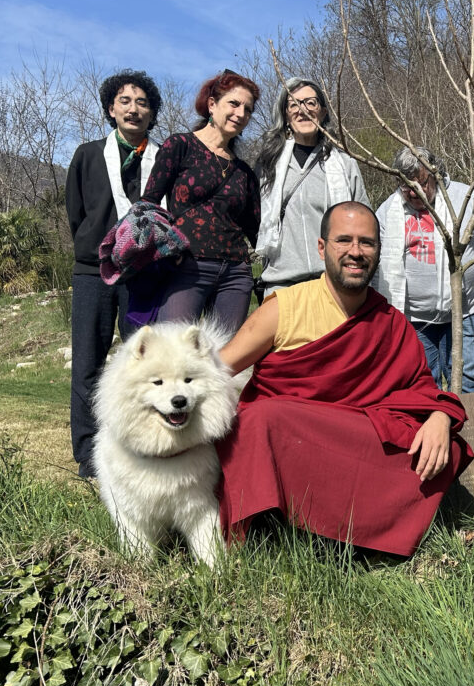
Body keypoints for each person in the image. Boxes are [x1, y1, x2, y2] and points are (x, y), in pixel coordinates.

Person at [216, 202, 473, 557]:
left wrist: (440, 417)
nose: (356, 252)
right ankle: (279, 525)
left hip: (350, 442)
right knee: (262, 418)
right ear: (322, 248)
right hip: (291, 442)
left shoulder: (391, 323)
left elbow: (421, 392)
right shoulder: (284, 308)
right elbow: (215, 371)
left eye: (367, 243)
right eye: (344, 240)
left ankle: (358, 533)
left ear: (379, 251)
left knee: (443, 445)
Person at [65, 69, 163, 479]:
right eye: (125, 101)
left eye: (142, 102)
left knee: (140, 363)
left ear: (152, 113)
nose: (134, 108)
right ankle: (89, 456)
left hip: (144, 274)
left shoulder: (163, 159)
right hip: (92, 272)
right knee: (88, 360)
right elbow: (76, 213)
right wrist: (95, 244)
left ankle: (137, 444)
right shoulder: (88, 155)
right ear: (111, 108)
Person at [139, 70, 261, 335]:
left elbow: (255, 229)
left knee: (227, 359)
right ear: (212, 104)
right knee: (172, 350)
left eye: (248, 109)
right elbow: (148, 206)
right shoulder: (180, 146)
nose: (241, 114)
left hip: (235, 273)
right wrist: (166, 250)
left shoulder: (245, 173)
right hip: (186, 266)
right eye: (234, 103)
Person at [374, 146, 474, 393]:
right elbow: (377, 265)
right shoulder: (387, 211)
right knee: (424, 387)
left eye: (421, 183)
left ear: (436, 173)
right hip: (415, 320)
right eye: (406, 186)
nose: (414, 192)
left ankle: (467, 432)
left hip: (463, 314)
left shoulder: (464, 198)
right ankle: (434, 433)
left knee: (466, 384)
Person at [254, 77, 369, 295]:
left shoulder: (345, 165)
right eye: (294, 104)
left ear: (323, 112)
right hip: (281, 287)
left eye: (310, 102)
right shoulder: (267, 166)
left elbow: (363, 225)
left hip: (334, 286)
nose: (302, 109)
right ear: (286, 114)